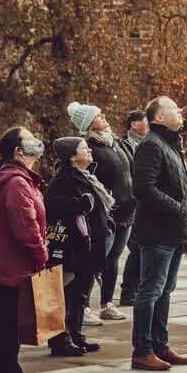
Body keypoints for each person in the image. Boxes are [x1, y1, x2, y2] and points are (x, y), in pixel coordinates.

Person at [129, 97, 187, 371]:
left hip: (173, 232)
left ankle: (160, 345)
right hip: (158, 231)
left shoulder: (169, 143)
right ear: (158, 118)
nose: (179, 111)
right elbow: (143, 188)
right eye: (172, 108)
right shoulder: (152, 145)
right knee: (151, 290)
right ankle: (142, 350)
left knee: (165, 289)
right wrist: (178, 208)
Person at [0, 127, 48, 373]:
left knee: (11, 322)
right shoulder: (17, 182)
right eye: (29, 139)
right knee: (8, 324)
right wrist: (42, 254)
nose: (37, 142)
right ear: (18, 151)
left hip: (14, 262)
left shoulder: (22, 178)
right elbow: (26, 227)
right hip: (14, 263)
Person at [43, 137, 111, 357]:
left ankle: (76, 334)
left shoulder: (86, 176)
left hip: (87, 246)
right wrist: (78, 205)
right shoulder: (64, 179)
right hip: (72, 247)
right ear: (72, 156)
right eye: (84, 148)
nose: (89, 150)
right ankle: (60, 340)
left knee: (80, 293)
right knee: (66, 294)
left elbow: (96, 206)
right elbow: (49, 207)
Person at [68, 103, 134, 323]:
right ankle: (83, 306)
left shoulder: (114, 142)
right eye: (97, 116)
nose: (104, 116)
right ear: (88, 123)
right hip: (105, 214)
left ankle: (107, 303)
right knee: (96, 259)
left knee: (113, 259)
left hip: (125, 210)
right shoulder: (89, 147)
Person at [117, 109, 147, 307]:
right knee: (136, 248)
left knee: (141, 248)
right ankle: (128, 290)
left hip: (144, 203)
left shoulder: (148, 142)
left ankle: (134, 288)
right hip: (132, 202)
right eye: (145, 121)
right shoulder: (124, 145)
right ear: (134, 124)